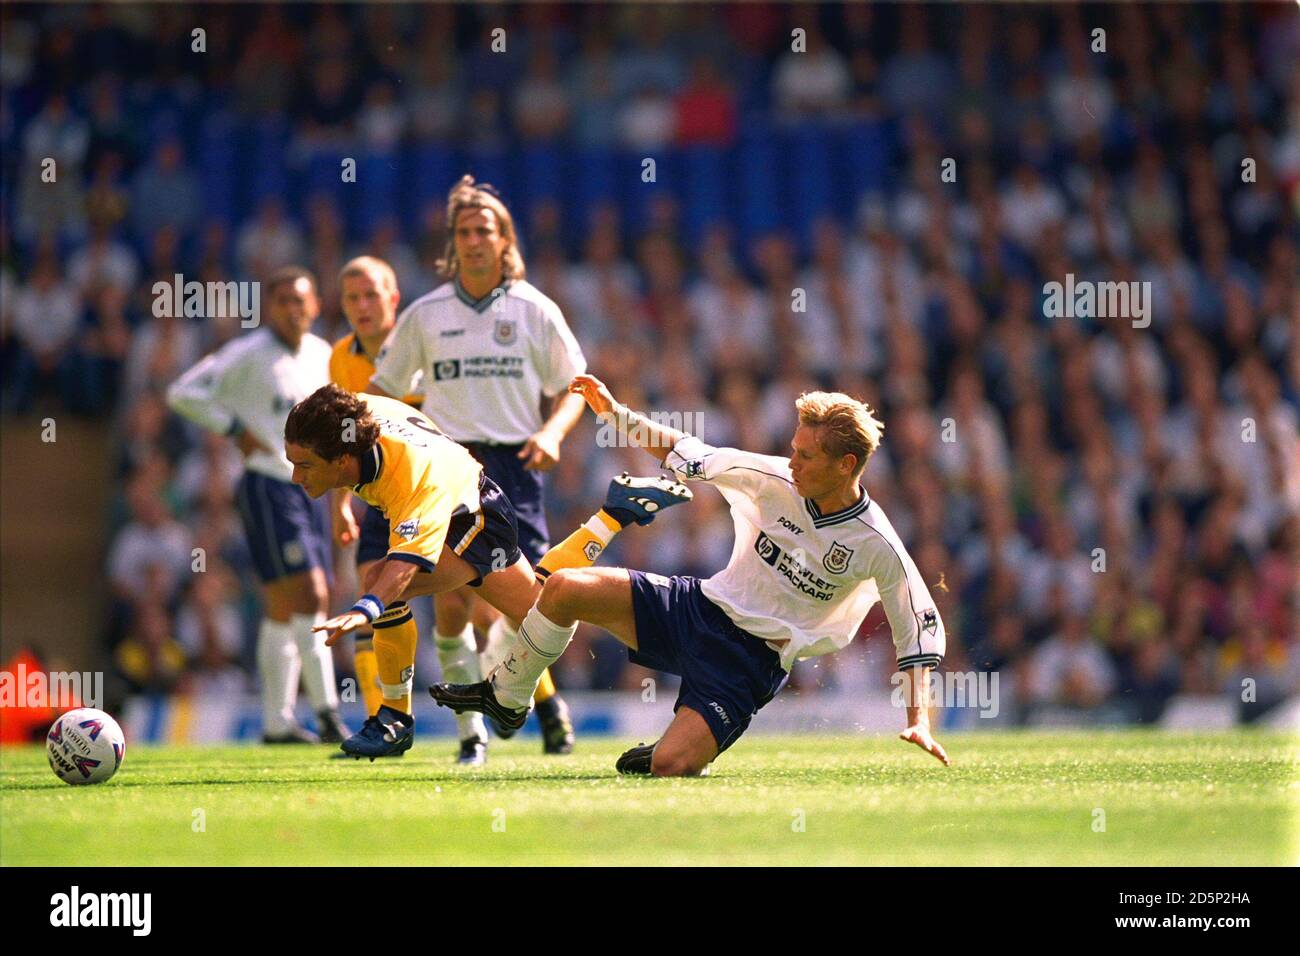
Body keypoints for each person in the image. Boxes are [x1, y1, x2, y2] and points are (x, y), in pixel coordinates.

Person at [431, 374, 952, 776]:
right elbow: (688, 452)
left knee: (671, 767)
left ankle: (666, 746)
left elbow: (916, 630)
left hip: (749, 663)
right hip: (699, 608)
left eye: (805, 455)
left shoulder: (876, 542)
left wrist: (918, 720)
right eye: (793, 448)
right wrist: (616, 413)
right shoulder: (772, 476)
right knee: (564, 589)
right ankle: (509, 699)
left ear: (846, 465)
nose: (791, 460)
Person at [284, 383, 692, 760]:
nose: (295, 476)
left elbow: (404, 568)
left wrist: (366, 609)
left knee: (383, 585)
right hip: (469, 492)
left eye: (304, 465)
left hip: (473, 519)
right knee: (540, 606)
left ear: (341, 460)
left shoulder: (412, 478)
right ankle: (614, 513)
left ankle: (394, 719)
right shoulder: (353, 420)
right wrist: (341, 505)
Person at [369, 175, 589, 756]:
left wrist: (552, 431)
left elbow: (578, 388)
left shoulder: (534, 309)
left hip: (516, 465)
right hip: (450, 468)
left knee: (526, 606)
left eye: (484, 230)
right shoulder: (425, 314)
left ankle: (543, 702)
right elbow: (384, 392)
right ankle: (472, 736)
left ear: (504, 238)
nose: (473, 241)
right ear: (453, 242)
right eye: (463, 232)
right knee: (453, 600)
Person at [167, 267, 348, 744]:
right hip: (269, 484)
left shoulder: (323, 355)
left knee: (281, 607)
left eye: (302, 300)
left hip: (313, 490)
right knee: (313, 593)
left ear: (315, 305)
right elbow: (183, 391)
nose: (295, 309)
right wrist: (233, 429)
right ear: (270, 306)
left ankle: (275, 723)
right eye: (284, 300)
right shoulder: (247, 354)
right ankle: (329, 713)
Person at [326, 256, 434, 754]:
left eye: (372, 294)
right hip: (379, 497)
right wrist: (340, 507)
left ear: (394, 298)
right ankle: (381, 720)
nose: (362, 306)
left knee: (471, 611)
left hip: (433, 493)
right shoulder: (340, 358)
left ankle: (545, 710)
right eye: (352, 297)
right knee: (372, 596)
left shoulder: (422, 348)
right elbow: (342, 443)